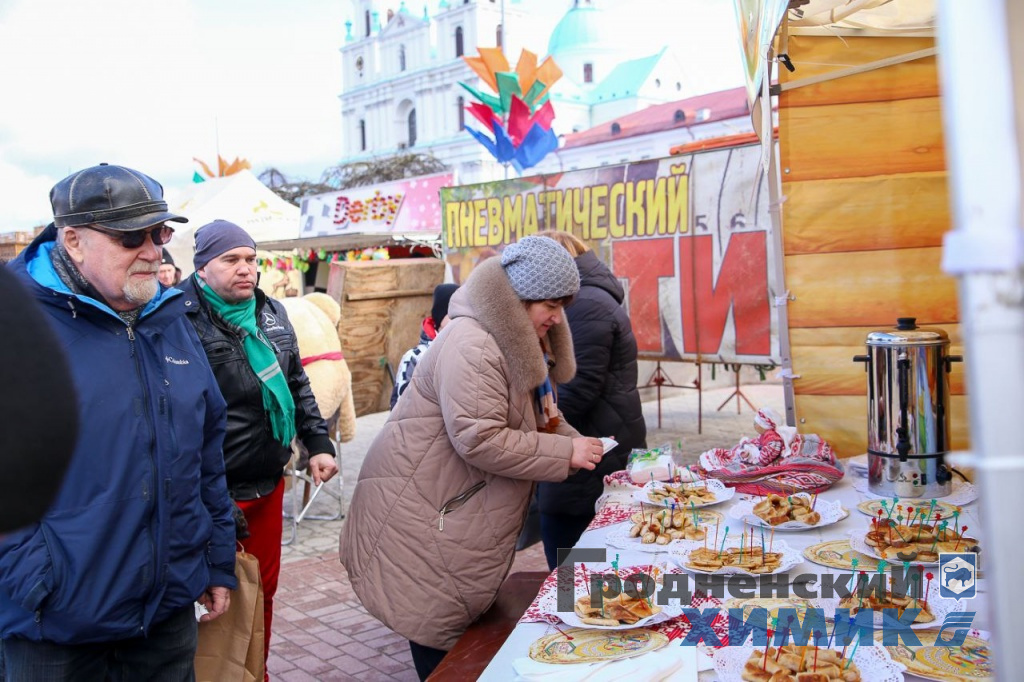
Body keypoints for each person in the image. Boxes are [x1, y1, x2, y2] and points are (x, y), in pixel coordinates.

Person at [1, 163, 237, 680]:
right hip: (52, 626)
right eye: (133, 236)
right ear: (73, 241)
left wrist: (215, 559)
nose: (154, 250)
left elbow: (206, 455)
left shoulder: (169, 319)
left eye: (161, 232)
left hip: (166, 615)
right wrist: (34, 579)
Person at [340, 235, 607, 680]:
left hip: (447, 512)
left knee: (450, 636)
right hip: (425, 518)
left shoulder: (515, 338)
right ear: (520, 300)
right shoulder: (475, 343)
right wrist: (565, 452)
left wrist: (582, 444)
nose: (559, 317)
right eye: (551, 305)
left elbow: (541, 416)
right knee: (440, 644)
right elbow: (480, 437)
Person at [178, 219, 339, 677]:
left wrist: (317, 443)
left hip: (268, 485)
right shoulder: (178, 320)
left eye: (251, 259)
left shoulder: (270, 312)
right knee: (214, 599)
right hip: (216, 495)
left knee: (262, 590)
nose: (246, 269)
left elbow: (295, 382)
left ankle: (256, 671)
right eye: (231, 260)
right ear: (203, 267)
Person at [534, 231, 647, 570]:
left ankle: (573, 620)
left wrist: (534, 422)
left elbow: (576, 388)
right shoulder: (591, 299)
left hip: (587, 463)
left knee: (574, 572)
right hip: (593, 453)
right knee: (592, 570)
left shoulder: (584, 304)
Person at [389, 283, 458, 408]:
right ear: (440, 316)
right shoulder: (415, 357)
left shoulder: (466, 353)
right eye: (451, 313)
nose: (457, 318)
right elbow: (400, 407)